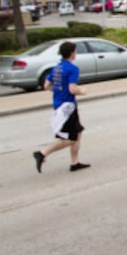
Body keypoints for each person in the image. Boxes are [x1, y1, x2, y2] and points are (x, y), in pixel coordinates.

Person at [32, 41, 90, 173]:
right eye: (75, 51)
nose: (76, 53)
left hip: (59, 104)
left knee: (78, 132)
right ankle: (42, 153)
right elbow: (72, 89)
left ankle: (75, 163)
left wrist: (58, 90)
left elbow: (46, 86)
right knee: (70, 138)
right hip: (67, 107)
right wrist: (82, 91)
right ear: (72, 53)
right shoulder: (72, 69)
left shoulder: (56, 68)